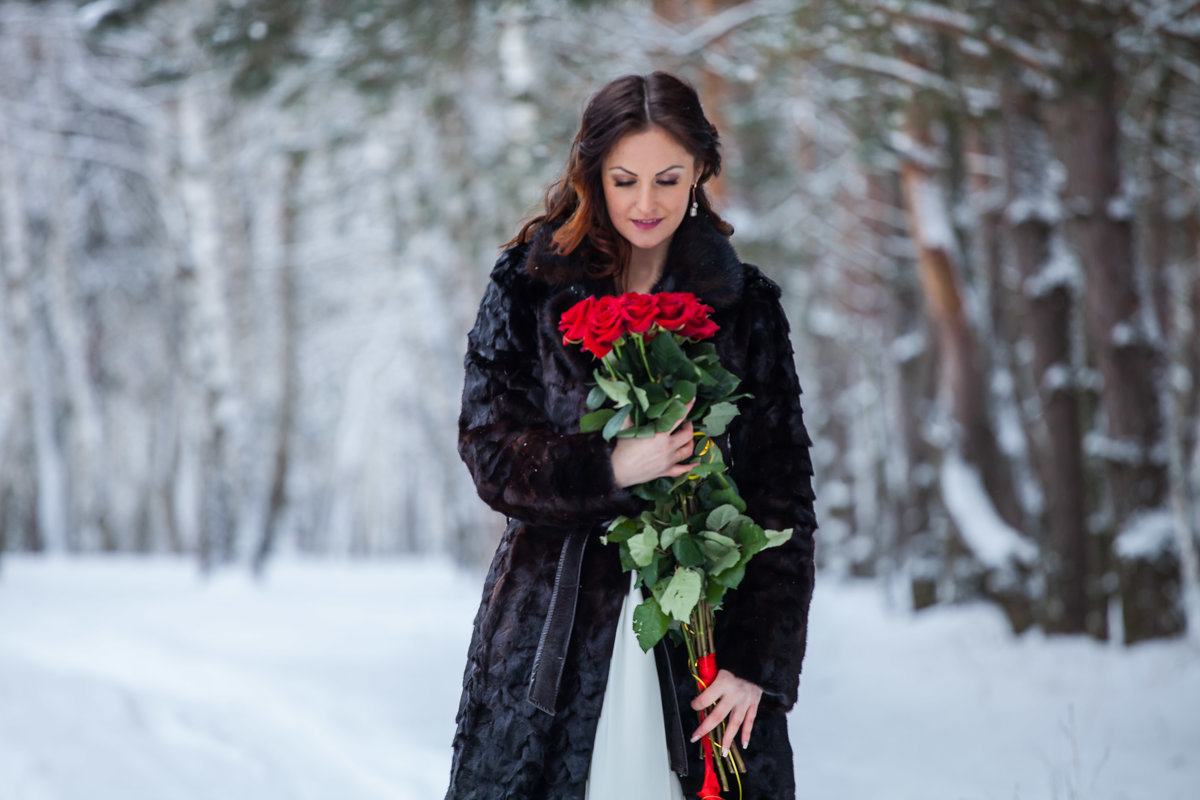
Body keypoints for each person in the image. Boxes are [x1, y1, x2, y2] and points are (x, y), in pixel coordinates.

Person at [446, 71, 817, 800]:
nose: (646, 203)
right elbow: (488, 448)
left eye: (668, 179)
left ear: (701, 174)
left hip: (706, 645)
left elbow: (783, 500)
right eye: (624, 180)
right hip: (550, 637)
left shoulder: (749, 310)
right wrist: (610, 468)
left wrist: (757, 667)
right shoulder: (528, 286)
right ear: (592, 176)